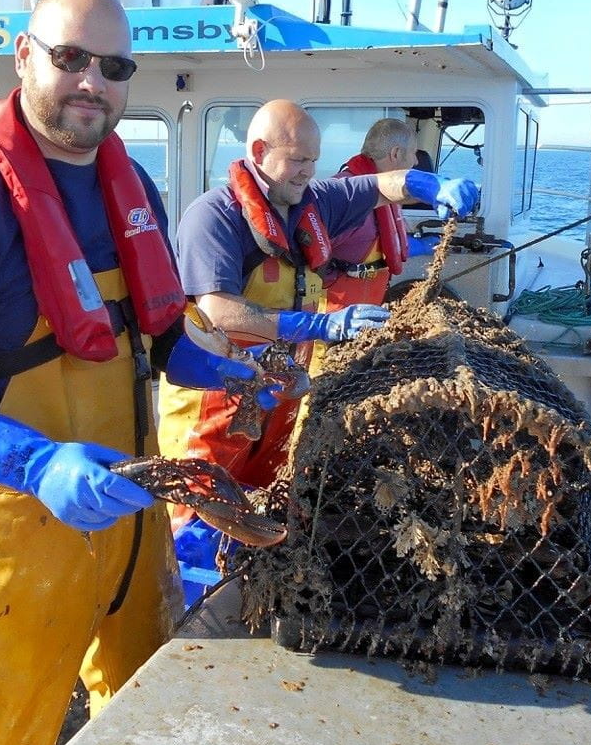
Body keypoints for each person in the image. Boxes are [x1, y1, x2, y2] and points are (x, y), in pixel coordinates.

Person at [0, 0, 254, 745]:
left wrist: (231, 370)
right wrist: (36, 464)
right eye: (70, 57)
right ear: (23, 56)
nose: (91, 82)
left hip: (131, 516)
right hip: (11, 536)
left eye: (113, 67)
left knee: (144, 716)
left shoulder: (132, 190)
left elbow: (153, 335)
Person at [155, 100, 479, 595]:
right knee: (196, 518)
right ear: (259, 151)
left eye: (313, 160)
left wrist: (429, 185)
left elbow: (380, 185)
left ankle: (249, 600)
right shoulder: (214, 215)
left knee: (262, 508)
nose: (308, 171)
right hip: (215, 401)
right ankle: (186, 613)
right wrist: (321, 325)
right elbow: (219, 312)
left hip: (279, 396)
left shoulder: (314, 201)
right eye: (297, 160)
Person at [326, 117, 421, 308]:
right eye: (414, 152)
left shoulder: (388, 194)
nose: (416, 161)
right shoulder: (345, 196)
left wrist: (421, 246)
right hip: (332, 317)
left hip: (366, 314)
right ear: (396, 154)